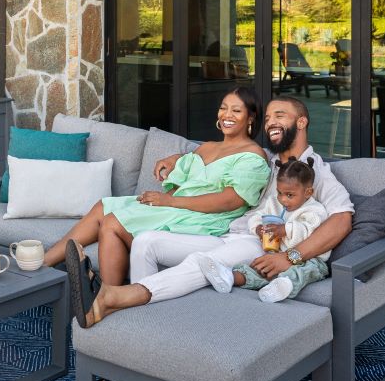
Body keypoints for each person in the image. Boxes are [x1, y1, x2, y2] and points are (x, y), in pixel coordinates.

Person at [66, 96, 353, 334]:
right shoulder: (265, 158)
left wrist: (289, 257)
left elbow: (342, 220)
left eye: (280, 115)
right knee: (146, 242)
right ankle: (146, 334)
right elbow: (214, 156)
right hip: (228, 233)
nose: (270, 123)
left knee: (200, 264)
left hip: (257, 246)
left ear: (301, 122)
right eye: (267, 118)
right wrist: (175, 158)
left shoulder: (317, 173)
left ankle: (114, 297)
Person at [45, 87, 270, 287]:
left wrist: (170, 201)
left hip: (204, 219)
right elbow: (194, 164)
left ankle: (109, 294)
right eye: (223, 108)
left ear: (251, 117)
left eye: (236, 111)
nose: (227, 115)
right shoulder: (208, 147)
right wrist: (175, 158)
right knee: (104, 206)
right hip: (175, 207)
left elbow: (230, 200)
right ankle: (44, 263)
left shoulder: (253, 156)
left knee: (113, 223)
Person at [201, 157, 332, 303]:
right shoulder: (274, 203)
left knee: (303, 272)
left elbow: (308, 231)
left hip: (309, 259)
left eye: (290, 195)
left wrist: (286, 230)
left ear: (308, 192)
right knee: (258, 267)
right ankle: (228, 277)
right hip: (277, 255)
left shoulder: (315, 210)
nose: (283, 199)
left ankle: (281, 287)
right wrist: (258, 228)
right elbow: (258, 215)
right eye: (279, 192)